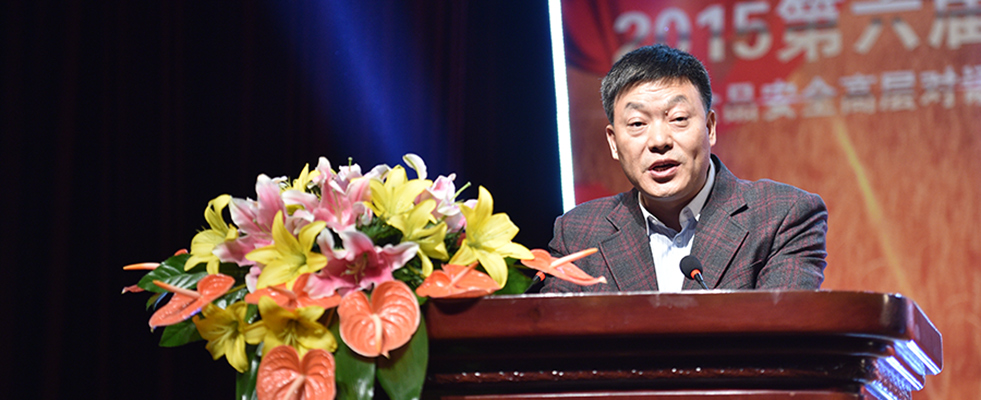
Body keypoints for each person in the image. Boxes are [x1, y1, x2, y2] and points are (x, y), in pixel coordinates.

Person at [542, 44, 827, 293]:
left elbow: (781, 330)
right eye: (637, 123)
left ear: (710, 128)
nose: (659, 141)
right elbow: (554, 332)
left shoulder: (782, 217)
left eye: (678, 118)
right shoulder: (579, 234)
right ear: (614, 143)